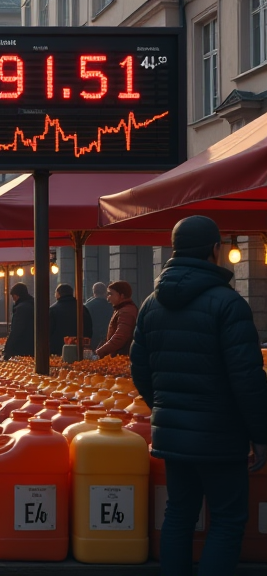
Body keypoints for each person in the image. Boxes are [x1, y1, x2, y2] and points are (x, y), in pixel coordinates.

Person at [131, 216, 267, 576]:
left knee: (179, 514)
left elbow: (139, 369)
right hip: (221, 435)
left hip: (172, 431)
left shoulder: (150, 304)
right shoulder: (228, 303)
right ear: (214, 250)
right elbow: (247, 378)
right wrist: (260, 433)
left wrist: (166, 406)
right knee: (227, 519)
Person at [95, 281, 138, 358]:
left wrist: (100, 351)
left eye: (111, 294)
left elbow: (120, 337)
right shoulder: (121, 309)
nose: (108, 297)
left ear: (121, 295)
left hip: (122, 356)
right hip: (119, 355)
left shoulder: (126, 311)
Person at [49, 284, 93, 355]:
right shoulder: (82, 308)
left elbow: (48, 331)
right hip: (79, 349)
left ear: (58, 294)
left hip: (58, 350)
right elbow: (89, 328)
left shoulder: (53, 310)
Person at [2, 283, 34, 360]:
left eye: (13, 296)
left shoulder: (20, 308)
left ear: (17, 296)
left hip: (22, 347)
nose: (13, 299)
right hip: (36, 346)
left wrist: (7, 350)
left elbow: (16, 330)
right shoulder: (36, 305)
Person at [85, 282, 114, 350]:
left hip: (92, 338)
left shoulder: (87, 306)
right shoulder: (112, 306)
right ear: (105, 292)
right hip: (109, 338)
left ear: (94, 292)